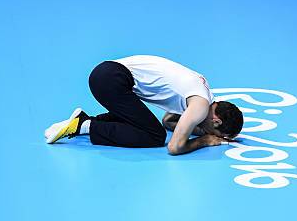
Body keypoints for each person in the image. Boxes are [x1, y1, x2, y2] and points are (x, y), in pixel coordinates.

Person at [44, 55, 243, 155]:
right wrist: (204, 141)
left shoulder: (205, 97)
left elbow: (168, 121)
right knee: (155, 136)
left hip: (108, 74)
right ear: (216, 120)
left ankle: (84, 120)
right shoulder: (199, 106)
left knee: (150, 125)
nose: (214, 137)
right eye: (218, 135)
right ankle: (85, 126)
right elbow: (174, 147)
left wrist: (198, 130)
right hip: (111, 80)